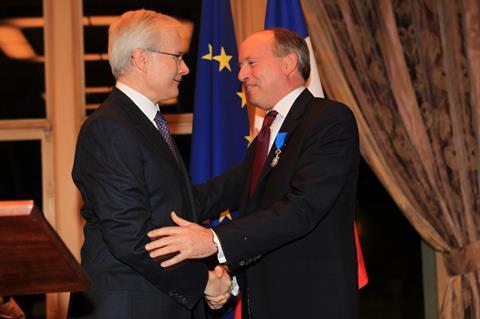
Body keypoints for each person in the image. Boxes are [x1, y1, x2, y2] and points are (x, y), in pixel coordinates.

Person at [145, 28, 360, 318]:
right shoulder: (271, 132)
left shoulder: (328, 120)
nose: (241, 75)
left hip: (310, 304)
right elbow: (223, 191)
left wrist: (213, 240)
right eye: (241, 66)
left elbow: (302, 208)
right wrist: (150, 206)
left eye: (251, 63)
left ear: (288, 63)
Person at [67, 9, 231, 319]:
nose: (184, 68)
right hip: (128, 307)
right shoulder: (110, 128)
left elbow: (180, 208)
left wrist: (258, 170)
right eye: (177, 57)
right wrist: (203, 282)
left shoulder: (146, 124)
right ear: (142, 58)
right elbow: (130, 237)